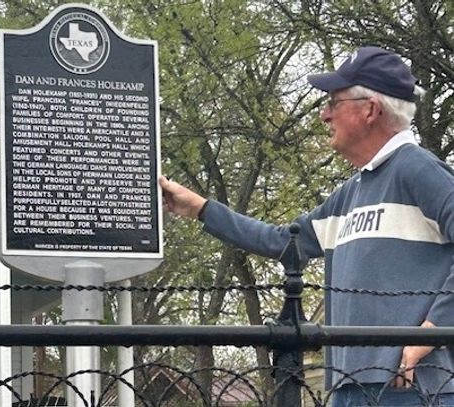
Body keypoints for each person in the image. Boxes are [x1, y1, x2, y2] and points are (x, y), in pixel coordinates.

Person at [160, 46, 454, 406]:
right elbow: (284, 242)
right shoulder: (349, 194)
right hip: (348, 384)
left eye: (334, 102)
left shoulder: (418, 170)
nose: (323, 115)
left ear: (371, 110)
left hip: (410, 387)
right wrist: (201, 209)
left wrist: (431, 332)